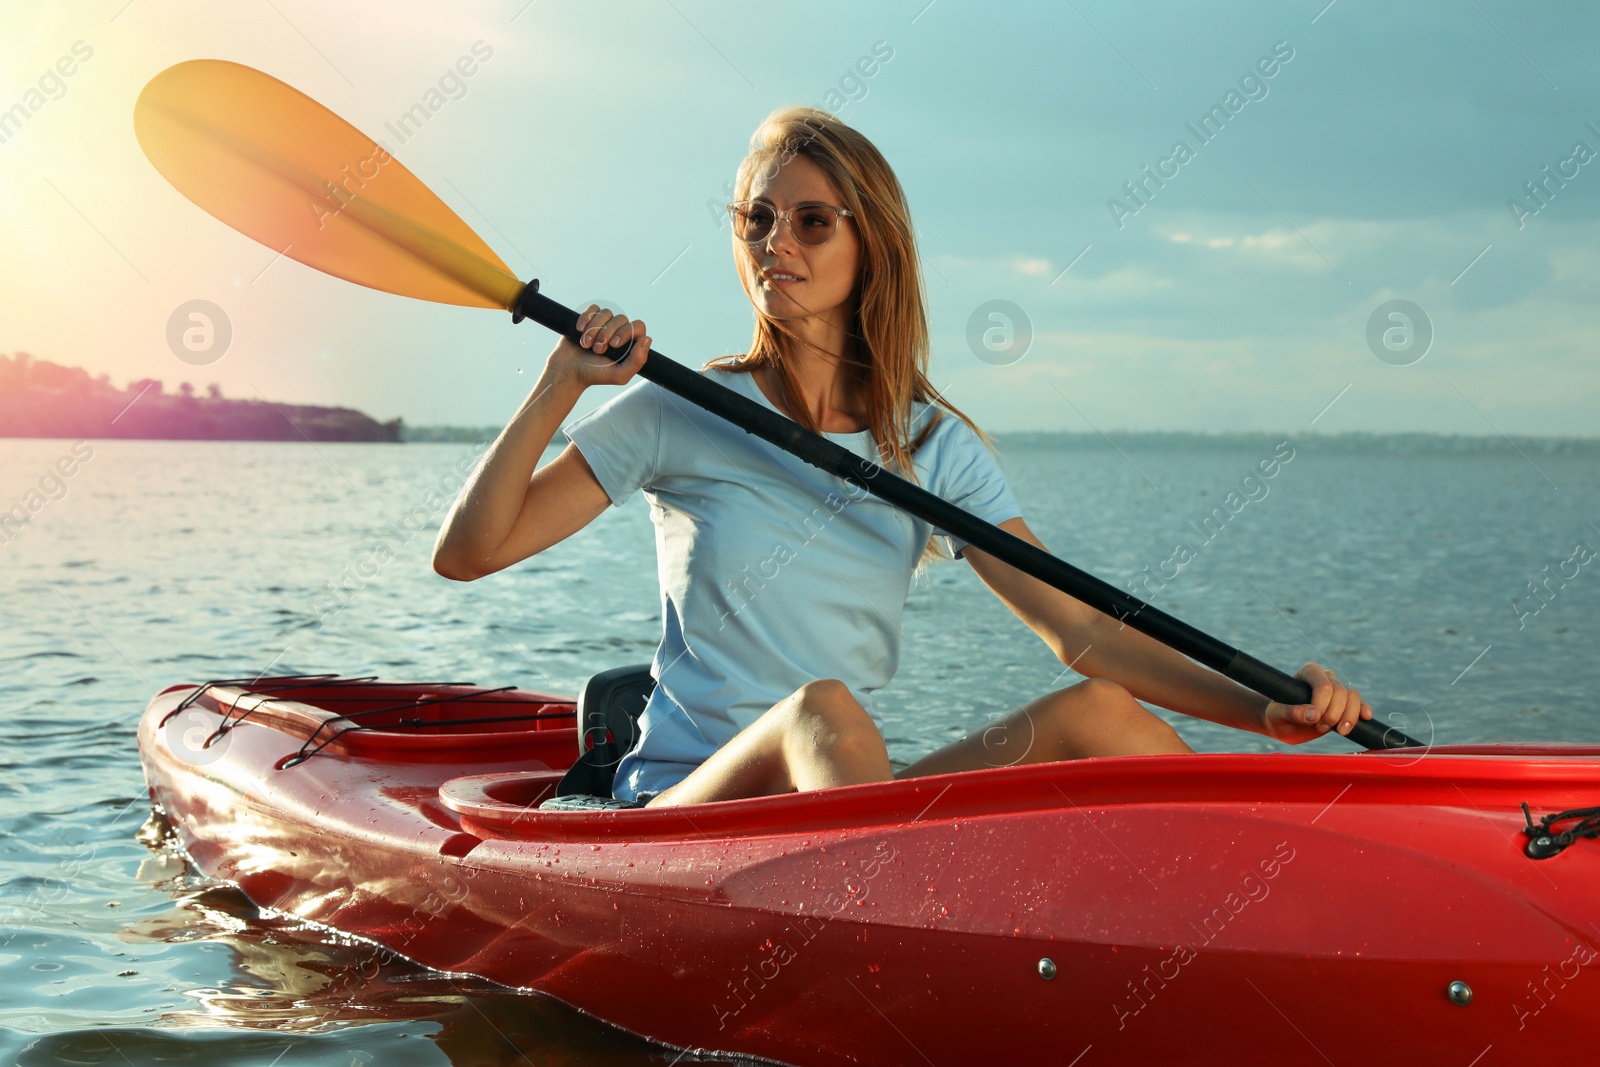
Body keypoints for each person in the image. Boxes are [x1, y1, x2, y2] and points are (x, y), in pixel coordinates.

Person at [432, 106, 1372, 808]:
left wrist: (1267, 713)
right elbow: (468, 554)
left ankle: (1271, 907)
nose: (775, 243)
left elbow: (1084, 631)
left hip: (841, 808)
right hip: (683, 809)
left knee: (1102, 712)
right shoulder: (681, 409)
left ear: (867, 242)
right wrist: (559, 383)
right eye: (758, 218)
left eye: (811, 221)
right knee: (823, 709)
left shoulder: (928, 445)